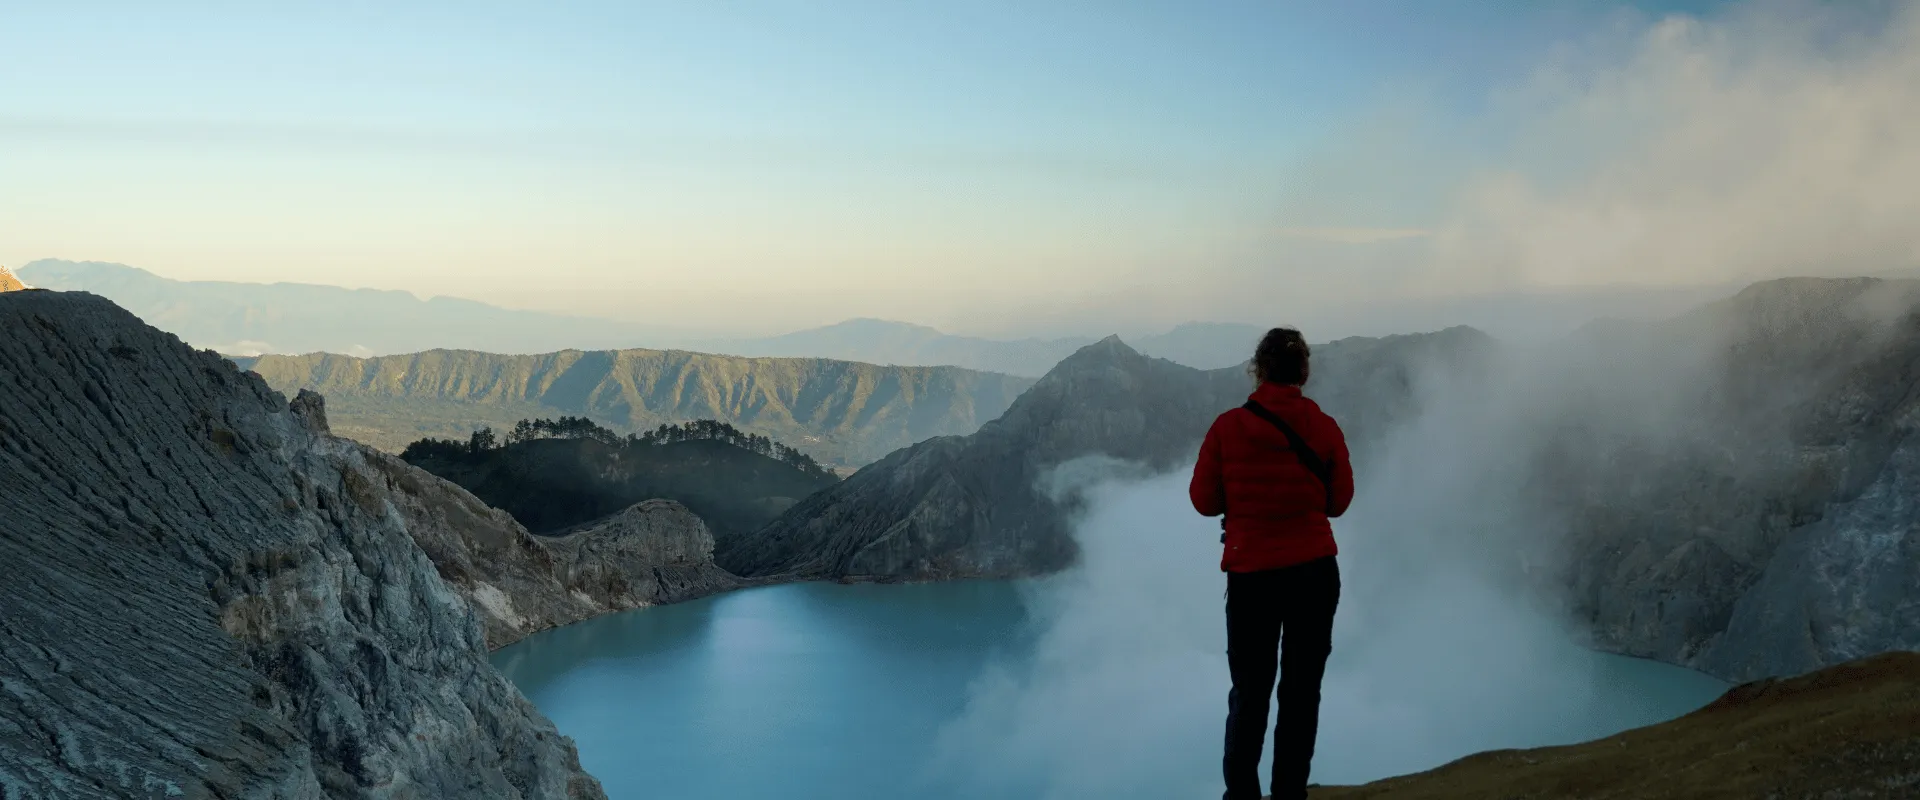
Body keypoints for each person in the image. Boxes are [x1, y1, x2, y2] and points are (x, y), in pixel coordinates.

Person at [1189, 327, 1355, 800]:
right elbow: (1339, 501)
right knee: (1301, 695)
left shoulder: (1227, 427)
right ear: (1302, 373)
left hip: (1251, 577)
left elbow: (1203, 500)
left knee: (1250, 693)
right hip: (1314, 573)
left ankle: (1241, 796)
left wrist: (1241, 503)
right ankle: (1289, 795)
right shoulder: (1323, 426)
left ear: (1258, 369)